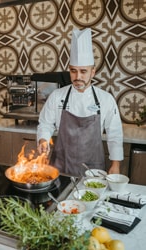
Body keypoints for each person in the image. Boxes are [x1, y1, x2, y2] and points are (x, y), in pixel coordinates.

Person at [37, 28, 123, 177]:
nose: (77, 77)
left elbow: (114, 134)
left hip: (93, 169)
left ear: (93, 72)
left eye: (83, 71)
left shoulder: (106, 99)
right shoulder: (57, 96)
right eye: (73, 71)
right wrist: (43, 139)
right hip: (60, 167)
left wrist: (115, 164)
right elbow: (45, 124)